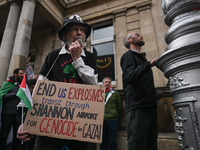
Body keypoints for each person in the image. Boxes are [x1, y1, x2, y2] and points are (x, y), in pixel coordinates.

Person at [17, 14, 98, 150]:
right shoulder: (53, 56)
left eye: (82, 30)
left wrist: (78, 59)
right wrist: (28, 121)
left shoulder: (89, 57)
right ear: (65, 35)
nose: (80, 33)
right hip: (53, 126)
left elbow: (94, 84)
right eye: (75, 29)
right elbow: (40, 89)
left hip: (81, 125)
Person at [120, 32, 158, 150]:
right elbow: (128, 77)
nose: (141, 36)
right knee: (137, 145)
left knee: (151, 145)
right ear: (130, 40)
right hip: (138, 109)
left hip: (149, 107)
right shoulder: (128, 56)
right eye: (137, 35)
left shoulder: (141, 58)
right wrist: (149, 64)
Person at [0, 68, 24, 150]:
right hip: (8, 114)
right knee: (3, 135)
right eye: (20, 73)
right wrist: (16, 94)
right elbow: (2, 96)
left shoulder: (23, 86)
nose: (22, 75)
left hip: (18, 114)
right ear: (15, 74)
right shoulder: (8, 83)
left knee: (16, 137)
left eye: (23, 74)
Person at [100, 77, 122, 150]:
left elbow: (119, 106)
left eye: (109, 82)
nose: (107, 83)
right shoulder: (99, 93)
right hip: (101, 120)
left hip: (112, 120)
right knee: (102, 141)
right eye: (106, 82)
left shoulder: (115, 94)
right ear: (103, 84)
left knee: (112, 141)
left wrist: (114, 114)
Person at [16, 79, 37, 150]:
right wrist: (20, 123)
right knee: (23, 144)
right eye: (31, 88)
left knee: (32, 144)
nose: (33, 89)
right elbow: (18, 113)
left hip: (35, 126)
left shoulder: (39, 98)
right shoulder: (25, 99)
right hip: (24, 125)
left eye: (35, 87)